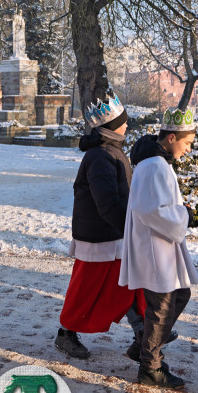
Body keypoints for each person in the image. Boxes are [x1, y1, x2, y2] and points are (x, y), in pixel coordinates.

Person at [55, 94, 146, 360]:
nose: (127, 126)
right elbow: (106, 201)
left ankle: (142, 330)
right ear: (112, 126)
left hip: (112, 233)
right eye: (123, 122)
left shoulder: (111, 151)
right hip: (98, 236)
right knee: (86, 288)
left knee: (127, 284)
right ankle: (66, 333)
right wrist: (126, 229)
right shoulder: (100, 156)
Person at [119, 108, 198, 389]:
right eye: (187, 143)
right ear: (171, 138)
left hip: (159, 246)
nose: (188, 150)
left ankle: (143, 348)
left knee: (178, 295)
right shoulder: (154, 165)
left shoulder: (156, 163)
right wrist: (183, 216)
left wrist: (180, 212)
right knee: (162, 306)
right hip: (155, 248)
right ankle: (150, 367)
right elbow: (149, 209)